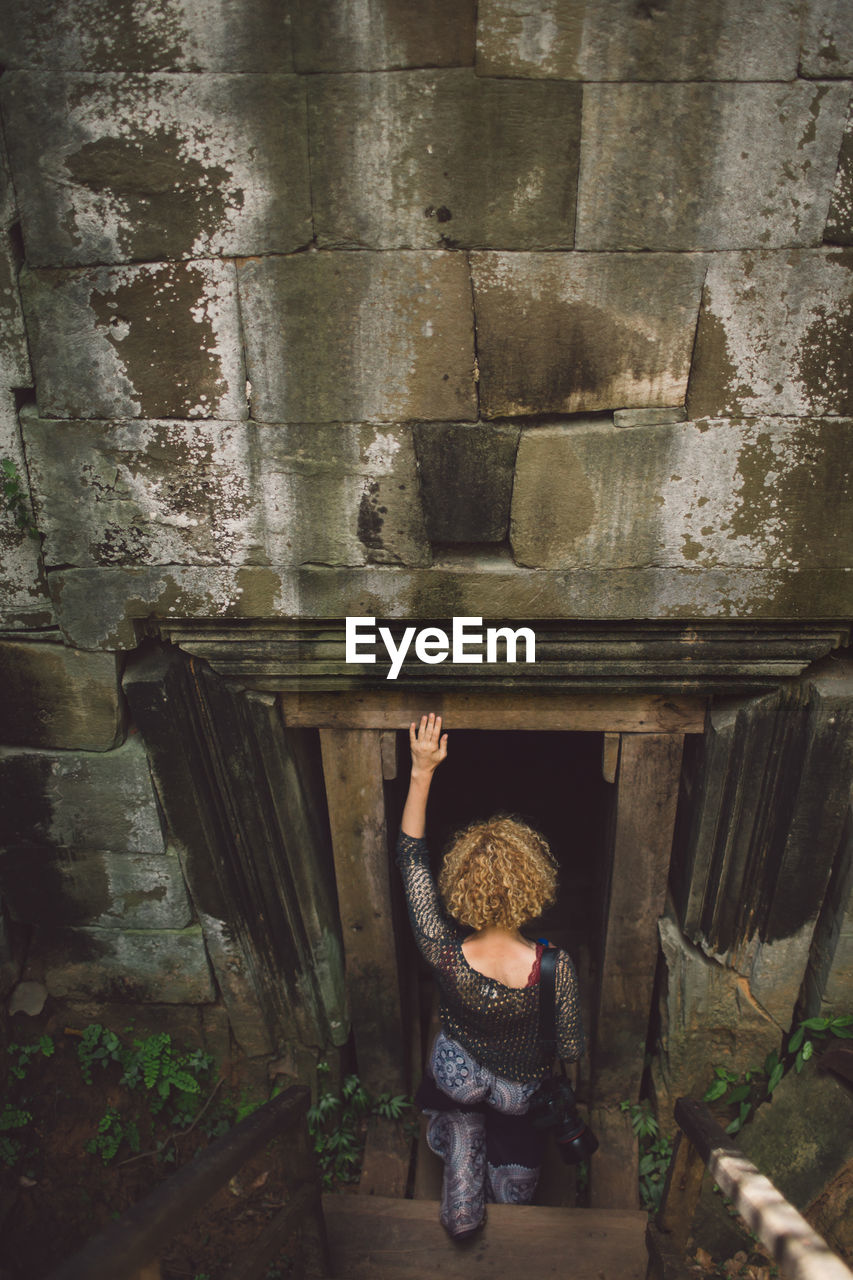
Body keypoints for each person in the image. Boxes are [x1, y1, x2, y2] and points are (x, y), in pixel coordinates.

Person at [397, 712, 585, 1239]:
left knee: (457, 1090)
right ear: (534, 885)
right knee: (518, 1179)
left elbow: (411, 862)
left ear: (460, 887)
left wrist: (421, 771)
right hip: (516, 1093)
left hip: (456, 1076)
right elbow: (569, 1048)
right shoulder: (555, 968)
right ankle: (504, 1181)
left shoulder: (442, 950)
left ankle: (460, 1142)